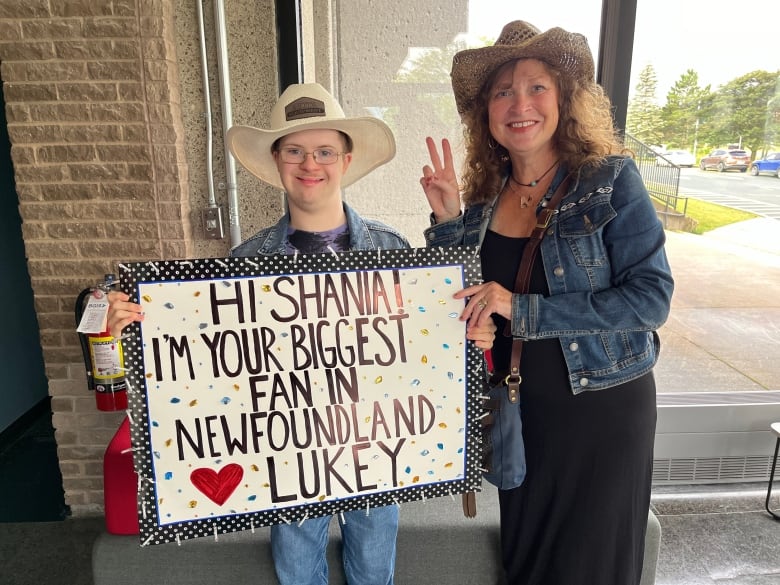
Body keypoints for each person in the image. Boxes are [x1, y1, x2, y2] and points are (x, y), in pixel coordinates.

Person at [107, 82, 495, 585]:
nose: (310, 163)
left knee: (374, 568)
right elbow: (211, 356)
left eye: (324, 151)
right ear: (276, 161)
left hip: (377, 441)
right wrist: (144, 328)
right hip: (285, 447)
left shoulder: (392, 249)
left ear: (346, 160)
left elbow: (434, 336)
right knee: (295, 568)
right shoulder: (244, 262)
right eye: (294, 150)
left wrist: (469, 337)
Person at [419, 21, 674, 585]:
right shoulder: (486, 198)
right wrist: (446, 220)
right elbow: (467, 295)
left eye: (536, 87)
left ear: (563, 99)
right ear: (486, 113)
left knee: (592, 566)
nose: (520, 104)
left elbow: (650, 299)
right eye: (502, 92)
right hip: (520, 412)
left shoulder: (609, 180)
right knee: (529, 561)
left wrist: (523, 309)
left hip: (601, 408)